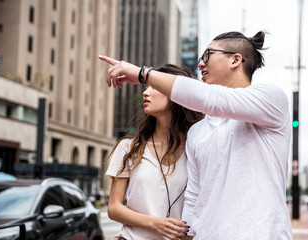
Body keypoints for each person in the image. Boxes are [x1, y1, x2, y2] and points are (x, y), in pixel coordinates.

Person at [99, 30, 292, 239]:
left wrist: (143, 73)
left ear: (235, 60)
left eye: (207, 56)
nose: (201, 64)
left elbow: (213, 99)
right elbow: (193, 197)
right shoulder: (198, 132)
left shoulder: (272, 99)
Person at [105, 64, 204, 240]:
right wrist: (156, 223)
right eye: (146, 87)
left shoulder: (197, 149)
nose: (145, 93)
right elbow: (114, 208)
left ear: (176, 95)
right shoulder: (129, 147)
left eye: (154, 87)